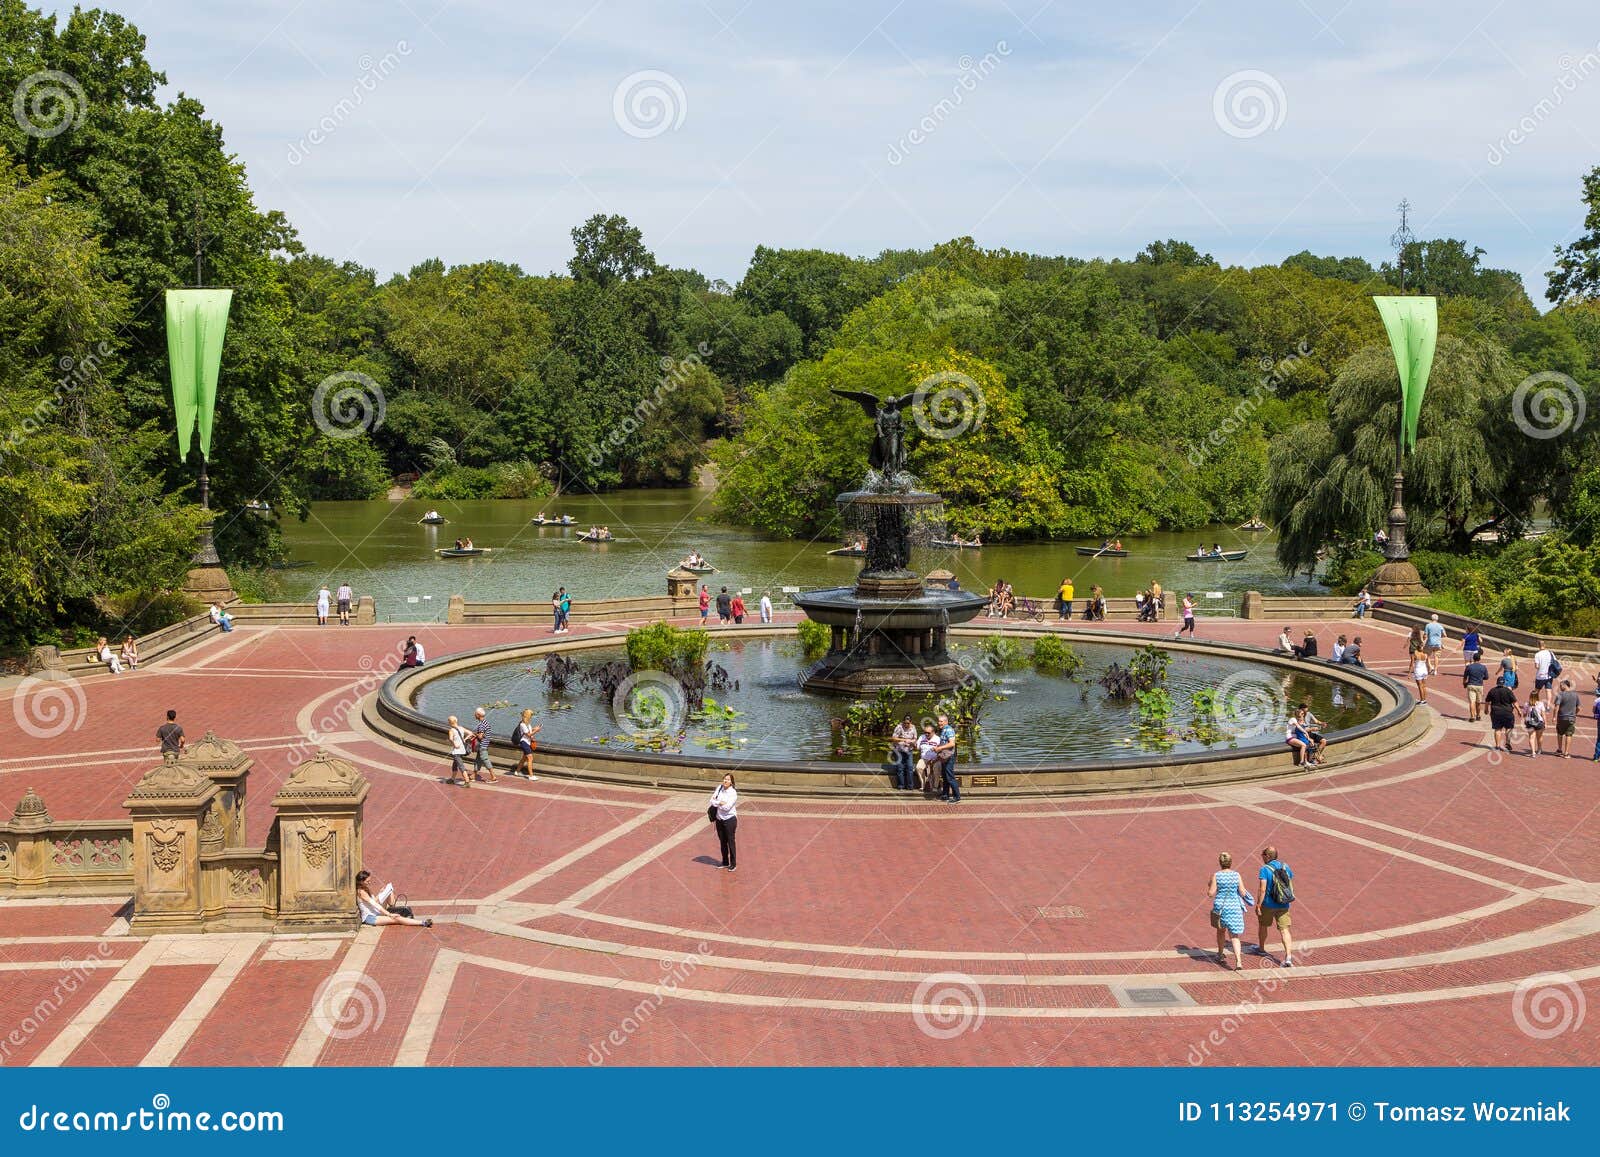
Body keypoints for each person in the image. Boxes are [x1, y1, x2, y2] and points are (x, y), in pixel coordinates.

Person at [1208, 852, 1253, 971]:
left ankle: (1220, 953)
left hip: (1221, 908)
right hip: (1234, 907)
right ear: (1230, 862)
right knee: (1234, 936)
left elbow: (1210, 893)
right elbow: (1243, 892)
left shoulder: (1216, 875)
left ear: (1220, 863)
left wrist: (1210, 885)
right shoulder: (1236, 875)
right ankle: (1238, 961)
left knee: (1221, 931)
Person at [1254, 846, 1295, 966]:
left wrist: (1258, 905)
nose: (1261, 857)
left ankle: (1261, 948)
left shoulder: (1265, 869)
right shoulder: (1285, 866)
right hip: (1284, 903)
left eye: (1262, 854)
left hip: (1268, 904)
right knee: (1285, 930)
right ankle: (1288, 956)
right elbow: (1289, 881)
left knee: (1263, 925)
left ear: (1268, 856)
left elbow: (1262, 889)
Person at [356, 870, 432, 928]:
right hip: (371, 917)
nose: (369, 883)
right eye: (367, 881)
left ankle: (393, 909)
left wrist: (380, 893)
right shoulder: (361, 892)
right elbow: (375, 904)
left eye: (370, 881)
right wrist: (389, 914)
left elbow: (372, 902)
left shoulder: (364, 888)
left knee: (389, 891)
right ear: (361, 881)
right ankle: (423, 923)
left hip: (375, 911)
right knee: (396, 919)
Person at [710, 774, 738, 872]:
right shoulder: (719, 788)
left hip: (730, 819)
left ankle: (733, 864)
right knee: (722, 842)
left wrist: (718, 802)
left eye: (728, 780)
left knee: (731, 842)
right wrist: (720, 802)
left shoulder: (733, 793)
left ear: (731, 782)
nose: (725, 781)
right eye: (724, 779)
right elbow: (711, 801)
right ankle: (725, 862)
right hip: (719, 819)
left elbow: (727, 808)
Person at [1485, 676, 1519, 754]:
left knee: (1497, 729)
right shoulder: (1508, 691)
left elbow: (1487, 701)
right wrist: (1519, 711)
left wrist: (1486, 709)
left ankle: (1497, 746)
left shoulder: (1492, 691)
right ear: (1504, 683)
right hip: (1507, 712)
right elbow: (1514, 702)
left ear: (1497, 683)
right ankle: (1508, 743)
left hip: (1496, 713)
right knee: (1509, 728)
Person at [934, 713, 959, 803]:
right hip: (944, 756)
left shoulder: (948, 730)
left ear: (946, 721)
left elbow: (952, 743)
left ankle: (957, 797)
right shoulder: (944, 730)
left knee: (950, 777)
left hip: (949, 757)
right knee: (945, 776)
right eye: (938, 721)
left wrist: (939, 748)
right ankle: (945, 795)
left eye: (941, 721)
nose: (939, 723)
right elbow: (945, 743)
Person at [510, 708, 541, 779]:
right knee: (530, 758)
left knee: (524, 758)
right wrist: (536, 731)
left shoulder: (527, 724)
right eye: (531, 715)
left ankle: (517, 772)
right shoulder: (522, 724)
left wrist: (534, 729)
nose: (531, 717)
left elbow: (529, 731)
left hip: (528, 742)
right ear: (527, 716)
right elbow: (528, 735)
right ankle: (531, 776)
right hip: (524, 742)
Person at [889, 715, 918, 791]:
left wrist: (912, 742)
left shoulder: (913, 728)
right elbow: (893, 738)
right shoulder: (899, 727)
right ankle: (901, 786)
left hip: (909, 750)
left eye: (908, 723)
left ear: (910, 722)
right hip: (899, 750)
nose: (906, 725)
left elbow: (915, 738)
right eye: (905, 723)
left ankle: (910, 786)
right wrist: (904, 740)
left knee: (910, 767)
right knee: (900, 768)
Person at [1554, 680, 1580, 757]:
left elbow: (1556, 707)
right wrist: (1574, 714)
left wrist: (1554, 717)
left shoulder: (1560, 695)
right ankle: (1566, 753)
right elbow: (1579, 708)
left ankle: (1559, 750)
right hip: (1571, 718)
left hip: (1561, 718)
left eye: (1561, 685)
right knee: (1569, 734)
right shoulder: (1575, 695)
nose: (1560, 687)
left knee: (1560, 733)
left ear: (1565, 685)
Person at [1463, 651, 1490, 722]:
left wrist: (1464, 683)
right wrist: (1481, 678)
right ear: (1479, 659)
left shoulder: (1469, 667)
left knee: (1472, 701)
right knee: (1478, 702)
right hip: (1479, 685)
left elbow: (1465, 677)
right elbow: (1487, 677)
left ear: (1473, 658)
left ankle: (1472, 716)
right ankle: (1478, 715)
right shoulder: (1483, 667)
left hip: (1471, 684)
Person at [916, 722, 942, 794]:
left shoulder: (938, 739)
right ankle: (923, 784)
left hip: (936, 759)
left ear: (933, 732)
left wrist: (934, 760)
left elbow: (942, 752)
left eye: (928, 733)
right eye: (925, 732)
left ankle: (935, 786)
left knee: (937, 768)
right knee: (918, 767)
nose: (926, 734)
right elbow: (917, 748)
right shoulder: (921, 737)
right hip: (924, 758)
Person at [446, 715, 470, 787]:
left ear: (450, 722)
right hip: (462, 750)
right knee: (455, 765)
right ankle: (452, 779)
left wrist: (454, 745)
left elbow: (450, 739)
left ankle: (467, 782)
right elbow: (470, 733)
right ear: (456, 721)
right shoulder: (461, 728)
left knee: (461, 766)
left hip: (457, 751)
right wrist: (464, 739)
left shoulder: (451, 730)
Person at [1524, 691, 1547, 756]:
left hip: (1530, 722)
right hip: (1539, 722)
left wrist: (1525, 720)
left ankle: (1533, 752)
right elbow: (1543, 715)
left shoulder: (1527, 704)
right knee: (1539, 737)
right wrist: (1545, 723)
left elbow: (1524, 714)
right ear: (1537, 696)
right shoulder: (1540, 704)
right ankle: (1539, 749)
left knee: (1531, 737)